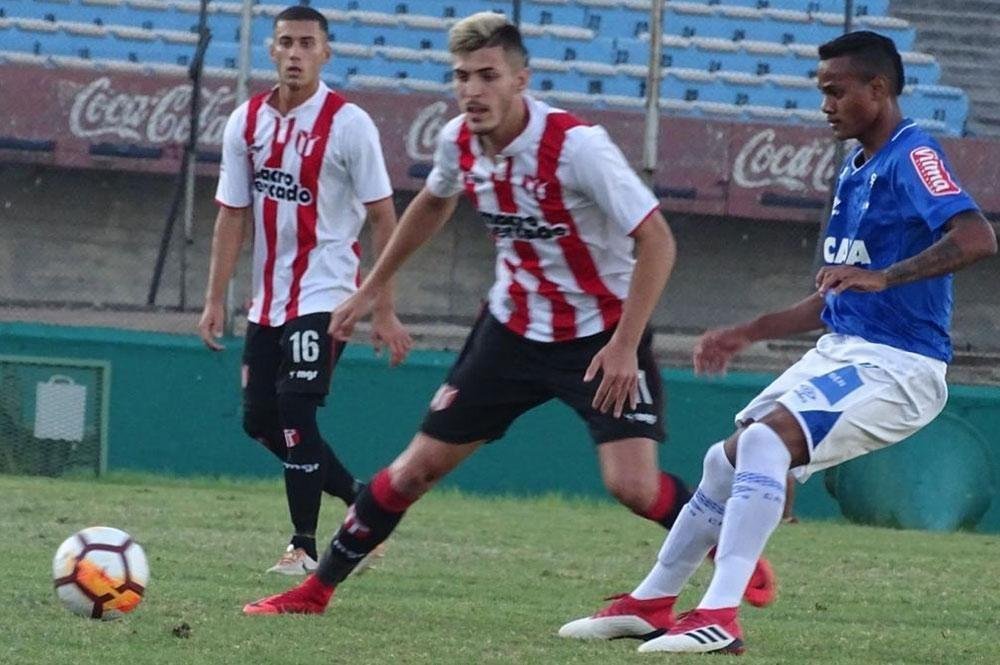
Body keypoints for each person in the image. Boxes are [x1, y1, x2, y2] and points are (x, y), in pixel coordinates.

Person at [242, 11, 774, 618]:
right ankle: (315, 591)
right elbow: (432, 204)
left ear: (521, 80)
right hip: (511, 332)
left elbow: (658, 241)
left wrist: (626, 345)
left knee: (634, 488)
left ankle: (733, 546)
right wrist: (373, 286)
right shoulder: (457, 141)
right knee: (414, 470)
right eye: (462, 76)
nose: (472, 90)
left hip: (598, 336)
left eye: (487, 76)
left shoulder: (576, 148)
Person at [561, 31, 997, 655]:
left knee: (766, 440)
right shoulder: (854, 171)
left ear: (878, 89)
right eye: (821, 92)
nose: (825, 105)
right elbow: (837, 293)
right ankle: (653, 602)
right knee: (727, 459)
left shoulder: (913, 154)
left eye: (835, 91)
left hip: (901, 366)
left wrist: (886, 276)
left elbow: (977, 237)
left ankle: (720, 617)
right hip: (847, 350)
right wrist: (750, 331)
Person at [197, 5, 411, 575]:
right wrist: (215, 297)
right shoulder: (245, 122)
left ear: (325, 52)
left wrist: (381, 309)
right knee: (261, 422)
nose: (295, 53)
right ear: (271, 50)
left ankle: (305, 548)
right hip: (268, 301)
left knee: (295, 406)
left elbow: (386, 220)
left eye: (306, 43)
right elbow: (231, 215)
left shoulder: (349, 124)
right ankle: (364, 502)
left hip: (328, 294)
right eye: (286, 42)